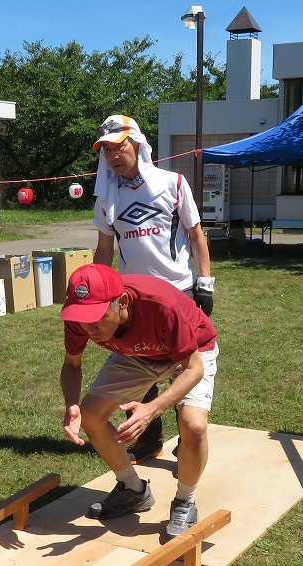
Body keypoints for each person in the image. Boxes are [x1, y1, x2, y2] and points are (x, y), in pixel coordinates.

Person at [58, 263, 218, 539]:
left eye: (97, 318)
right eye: (83, 319)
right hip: (135, 356)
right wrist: (72, 403)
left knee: (193, 425)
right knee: (91, 415)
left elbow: (194, 369)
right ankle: (133, 490)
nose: (89, 329)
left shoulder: (161, 306)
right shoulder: (79, 318)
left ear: (122, 302)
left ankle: (184, 501)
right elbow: (72, 365)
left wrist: (152, 409)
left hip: (192, 352)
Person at [92, 114, 213, 464]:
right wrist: (98, 290)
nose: (114, 155)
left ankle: (185, 437)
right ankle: (149, 439)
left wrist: (205, 283)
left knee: (183, 365)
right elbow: (104, 249)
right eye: (106, 150)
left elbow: (195, 233)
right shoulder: (106, 199)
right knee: (143, 365)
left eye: (119, 146)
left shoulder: (173, 183)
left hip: (179, 292)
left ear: (137, 144)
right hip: (132, 299)